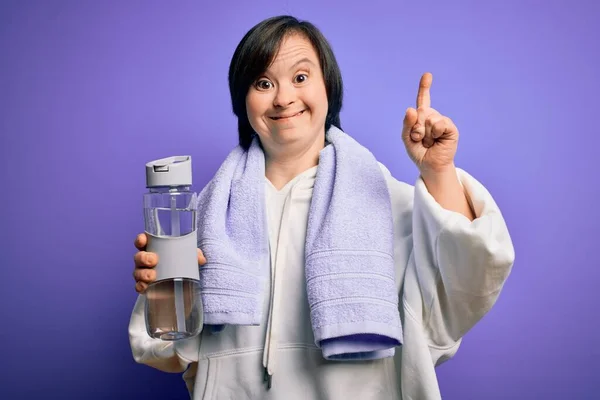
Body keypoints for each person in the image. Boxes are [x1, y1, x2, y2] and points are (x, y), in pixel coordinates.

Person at [128, 15, 515, 400]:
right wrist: (161, 293)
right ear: (241, 98)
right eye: (263, 83)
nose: (283, 98)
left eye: (300, 77)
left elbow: (462, 286)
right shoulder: (210, 214)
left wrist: (439, 170)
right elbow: (165, 348)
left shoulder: (383, 201)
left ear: (328, 87)